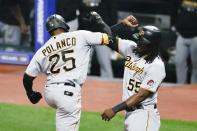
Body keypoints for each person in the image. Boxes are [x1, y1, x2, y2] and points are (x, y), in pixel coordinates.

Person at [22, 14, 110, 131]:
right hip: (68, 93)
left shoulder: (43, 50)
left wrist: (30, 93)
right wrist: (99, 21)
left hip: (50, 93)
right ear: (64, 24)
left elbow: (27, 77)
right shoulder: (79, 35)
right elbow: (109, 37)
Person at [88, 12, 166, 131]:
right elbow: (108, 38)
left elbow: (141, 95)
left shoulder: (156, 66)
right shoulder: (131, 48)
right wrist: (122, 25)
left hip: (144, 116)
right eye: (139, 40)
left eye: (143, 42)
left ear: (153, 46)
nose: (138, 44)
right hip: (130, 114)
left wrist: (115, 109)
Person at [78, 0, 118, 78]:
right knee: (83, 64)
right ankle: (82, 85)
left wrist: (112, 31)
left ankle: (108, 86)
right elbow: (78, 11)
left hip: (102, 32)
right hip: (85, 33)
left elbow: (113, 12)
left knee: (105, 63)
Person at [173, 0, 197, 84]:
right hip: (181, 35)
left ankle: (194, 89)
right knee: (179, 62)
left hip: (195, 36)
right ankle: (180, 88)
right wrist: (174, 24)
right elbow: (173, 10)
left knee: (196, 66)